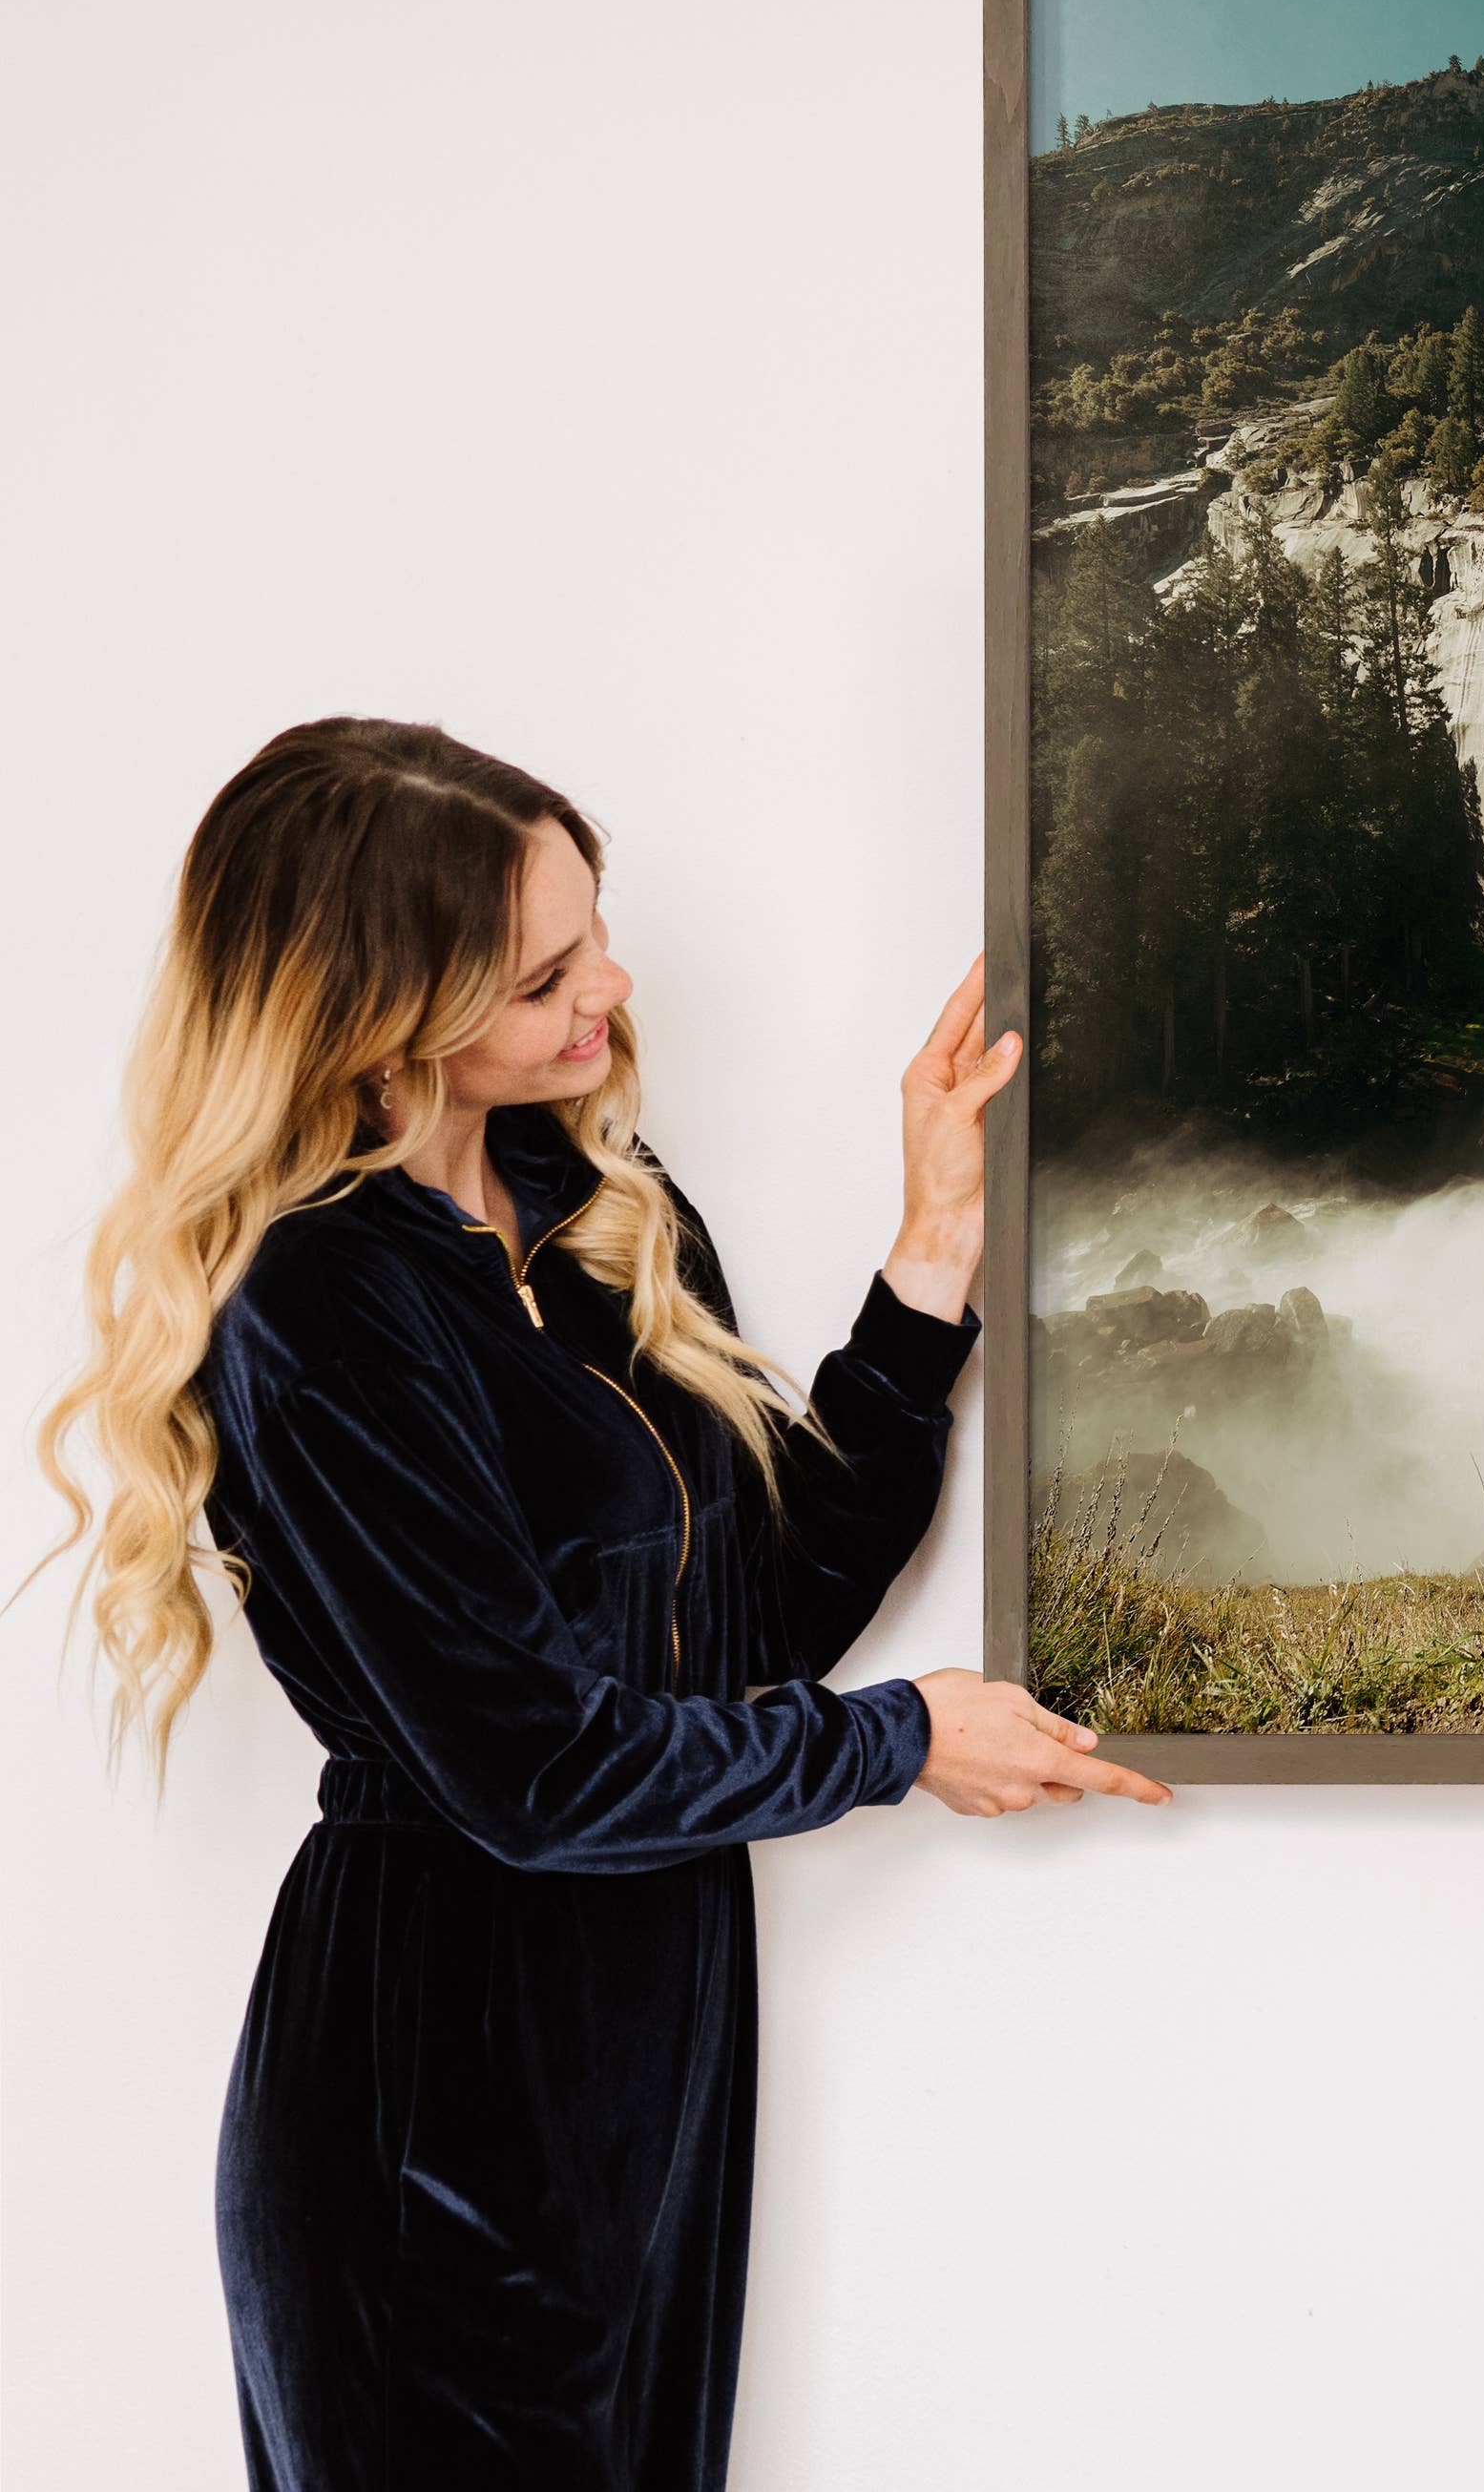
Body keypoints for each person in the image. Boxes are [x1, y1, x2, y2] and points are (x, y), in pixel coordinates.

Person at [35, 718, 1169, 2491]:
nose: (612, 991)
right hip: (436, 2096)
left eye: (596, 929)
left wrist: (930, 1251)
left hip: (643, 2061)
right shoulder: (313, 1306)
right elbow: (535, 1769)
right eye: (546, 973)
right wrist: (899, 1746)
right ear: (372, 1014)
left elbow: (760, 1623)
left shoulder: (593, 1207)